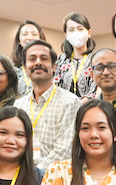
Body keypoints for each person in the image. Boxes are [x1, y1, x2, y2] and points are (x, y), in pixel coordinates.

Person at [14, 40, 81, 168]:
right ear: (25, 67)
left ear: (54, 66)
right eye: (32, 59)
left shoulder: (70, 102)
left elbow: (65, 150)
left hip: (55, 179)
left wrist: (33, 173)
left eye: (44, 58)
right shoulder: (18, 106)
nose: (38, 62)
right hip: (19, 176)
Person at [54, 12, 98, 99]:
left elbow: (96, 88)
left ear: (89, 33)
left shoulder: (96, 59)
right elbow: (55, 86)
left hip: (88, 107)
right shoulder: (60, 59)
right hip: (63, 107)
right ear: (66, 35)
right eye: (71, 30)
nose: (76, 33)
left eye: (80, 29)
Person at [10, 19, 47, 96]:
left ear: (41, 39)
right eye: (24, 34)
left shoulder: (50, 64)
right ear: (19, 41)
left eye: (34, 34)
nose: (29, 37)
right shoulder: (11, 66)